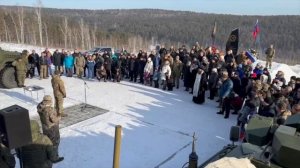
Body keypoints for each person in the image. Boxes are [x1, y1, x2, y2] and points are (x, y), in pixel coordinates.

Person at [37, 96, 64, 163]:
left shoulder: (39, 106)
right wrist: (59, 117)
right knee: (54, 143)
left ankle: (46, 154)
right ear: (49, 101)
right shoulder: (49, 110)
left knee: (47, 141)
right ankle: (54, 158)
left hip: (45, 127)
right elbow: (54, 120)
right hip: (52, 128)